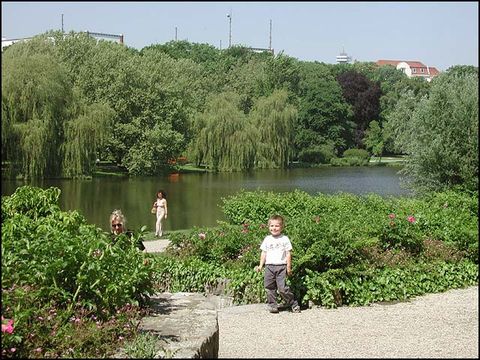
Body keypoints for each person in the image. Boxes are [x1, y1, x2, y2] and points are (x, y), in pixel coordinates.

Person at [255, 214, 301, 313]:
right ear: (269, 227)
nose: (274, 228)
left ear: (281, 227)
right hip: (269, 267)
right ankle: (272, 305)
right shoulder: (267, 239)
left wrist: (288, 267)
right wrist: (260, 265)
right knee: (269, 287)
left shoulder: (284, 239)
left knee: (282, 288)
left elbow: (288, 253)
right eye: (272, 226)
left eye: (277, 226)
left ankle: (293, 303)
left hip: (281, 267)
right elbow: (264, 253)